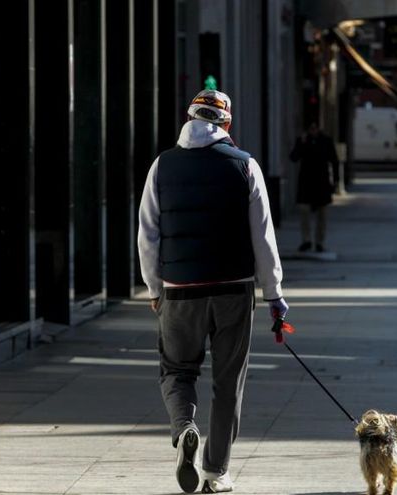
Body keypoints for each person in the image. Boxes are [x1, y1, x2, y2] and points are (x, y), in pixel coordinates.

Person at [138, 90, 287, 494]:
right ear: (227, 124)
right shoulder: (246, 167)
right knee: (227, 382)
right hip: (233, 290)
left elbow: (147, 234)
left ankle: (184, 426)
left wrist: (154, 288)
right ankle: (215, 472)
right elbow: (264, 237)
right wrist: (274, 294)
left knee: (176, 369)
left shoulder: (162, 166)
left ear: (188, 118)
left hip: (179, 290)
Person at [289, 122, 339, 253]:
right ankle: (306, 240)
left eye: (315, 128)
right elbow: (293, 157)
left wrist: (335, 181)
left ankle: (319, 241)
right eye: (311, 128)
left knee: (322, 214)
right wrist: (302, 143)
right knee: (304, 211)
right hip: (306, 183)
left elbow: (334, 161)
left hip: (322, 183)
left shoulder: (326, 141)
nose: (313, 131)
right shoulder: (302, 140)